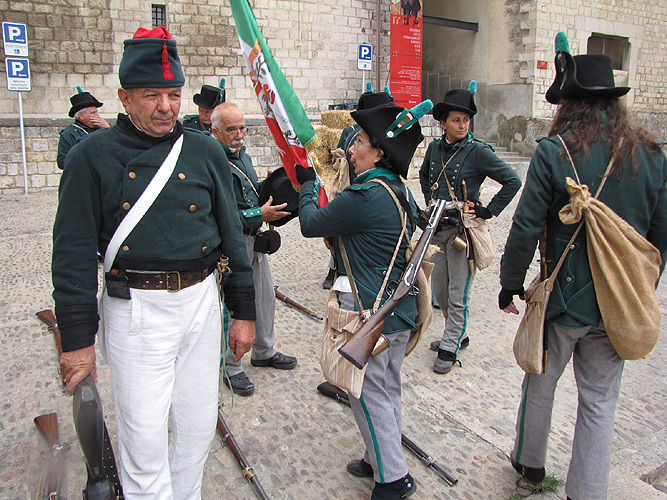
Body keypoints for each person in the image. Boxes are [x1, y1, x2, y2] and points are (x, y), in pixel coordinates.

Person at [52, 26, 257, 500]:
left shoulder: (205, 149)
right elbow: (72, 256)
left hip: (201, 305)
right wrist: (78, 341)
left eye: (173, 94)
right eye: (151, 95)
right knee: (144, 444)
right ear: (124, 97)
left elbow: (232, 239)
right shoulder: (90, 157)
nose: (166, 106)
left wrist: (244, 312)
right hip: (136, 312)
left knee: (197, 428)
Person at [499, 33, 667, 500]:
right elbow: (658, 240)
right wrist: (639, 288)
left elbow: (526, 227)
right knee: (600, 401)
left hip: (563, 300)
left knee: (541, 379)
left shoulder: (555, 152)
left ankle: (530, 464)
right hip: (619, 304)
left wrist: (511, 283)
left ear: (570, 104)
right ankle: (586, 493)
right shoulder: (654, 156)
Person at [297, 100, 432, 500]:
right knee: (385, 391)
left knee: (367, 394)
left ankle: (393, 479)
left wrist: (307, 185)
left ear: (378, 152)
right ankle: (378, 459)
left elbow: (309, 223)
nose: (351, 149)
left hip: (370, 314)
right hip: (396, 312)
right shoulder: (398, 190)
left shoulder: (366, 193)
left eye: (358, 141)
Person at [421, 83, 521, 374]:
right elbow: (425, 176)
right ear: (443, 123)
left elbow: (512, 180)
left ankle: (450, 344)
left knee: (458, 292)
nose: (462, 125)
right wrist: (430, 202)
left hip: (463, 231)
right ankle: (459, 333)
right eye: (456, 120)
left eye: (466, 119)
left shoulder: (478, 151)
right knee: (439, 290)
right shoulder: (434, 148)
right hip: (437, 228)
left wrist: (489, 210)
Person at [211, 102, 298, 396]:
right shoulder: (213, 162)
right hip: (230, 245)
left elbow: (250, 194)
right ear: (215, 132)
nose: (239, 135)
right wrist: (258, 215)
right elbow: (218, 215)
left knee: (264, 298)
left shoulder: (242, 157)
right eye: (231, 129)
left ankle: (263, 351)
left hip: (254, 239)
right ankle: (231, 365)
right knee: (235, 305)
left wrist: (271, 184)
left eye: (242, 128)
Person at [322, 83, 395, 290]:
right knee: (341, 234)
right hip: (352, 188)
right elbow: (340, 155)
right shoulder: (350, 132)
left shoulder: (385, 137)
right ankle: (335, 268)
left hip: (375, 191)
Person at [57, 87, 110, 169]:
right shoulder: (68, 134)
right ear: (81, 115)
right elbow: (62, 162)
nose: (97, 116)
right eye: (93, 113)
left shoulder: (104, 129)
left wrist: (108, 128)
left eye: (97, 112)